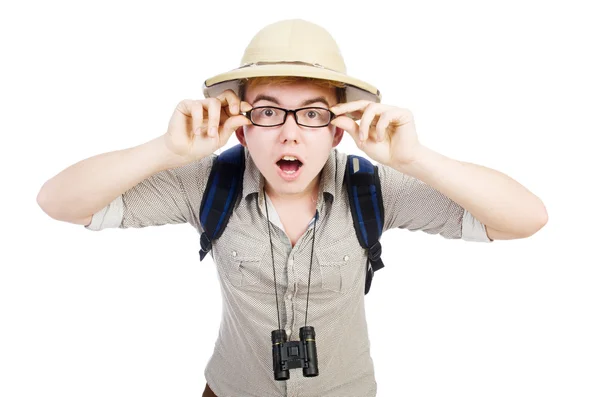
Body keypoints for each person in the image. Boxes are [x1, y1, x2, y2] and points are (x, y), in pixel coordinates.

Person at [37, 18, 548, 397]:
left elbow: (526, 219)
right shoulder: (207, 185)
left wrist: (417, 158)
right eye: (268, 111)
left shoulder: (371, 188)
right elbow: (57, 202)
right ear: (241, 127)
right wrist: (166, 150)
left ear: (336, 128)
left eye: (311, 113)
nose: (289, 132)